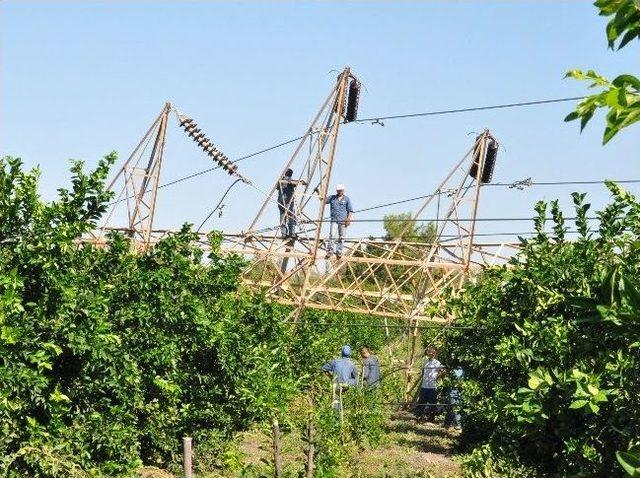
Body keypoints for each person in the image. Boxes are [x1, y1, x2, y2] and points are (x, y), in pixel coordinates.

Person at [322, 345, 359, 412]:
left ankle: (336, 415)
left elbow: (323, 368)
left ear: (341, 352)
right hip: (346, 386)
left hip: (336, 385)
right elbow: (356, 377)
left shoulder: (335, 362)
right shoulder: (352, 364)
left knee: (336, 402)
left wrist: (331, 377)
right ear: (350, 353)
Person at [324, 184, 354, 259]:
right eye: (338, 190)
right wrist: (319, 193)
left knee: (342, 237)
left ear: (343, 191)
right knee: (332, 235)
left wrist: (348, 219)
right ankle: (330, 251)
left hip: (343, 221)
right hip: (334, 220)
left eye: (340, 190)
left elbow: (350, 210)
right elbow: (323, 200)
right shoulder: (332, 198)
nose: (339, 191)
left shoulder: (346, 199)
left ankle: (339, 251)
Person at [415, 348, 443, 422]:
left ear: (435, 354)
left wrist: (437, 377)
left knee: (432, 403)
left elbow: (442, 371)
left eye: (433, 353)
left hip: (432, 386)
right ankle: (419, 416)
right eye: (430, 352)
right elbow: (423, 371)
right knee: (421, 402)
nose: (431, 354)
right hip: (424, 386)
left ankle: (431, 418)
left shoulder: (437, 363)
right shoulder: (425, 361)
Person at [277, 168, 306, 238]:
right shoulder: (289, 180)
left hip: (280, 202)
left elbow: (278, 187)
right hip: (287, 202)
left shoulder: (281, 180)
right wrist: (302, 182)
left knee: (282, 217)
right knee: (291, 216)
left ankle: (283, 233)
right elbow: (294, 183)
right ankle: (291, 233)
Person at [444, 366, 463, 430]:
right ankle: (457, 424)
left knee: (451, 406)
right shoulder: (452, 367)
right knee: (455, 406)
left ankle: (447, 423)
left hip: (460, 390)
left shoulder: (464, 368)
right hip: (453, 390)